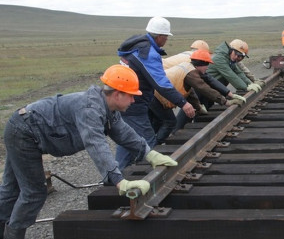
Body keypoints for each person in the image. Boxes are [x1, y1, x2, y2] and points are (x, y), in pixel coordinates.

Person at [0, 65, 178, 239]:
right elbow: (96, 143)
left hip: (23, 126)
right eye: (131, 96)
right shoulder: (90, 110)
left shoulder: (107, 107)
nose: (133, 101)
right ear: (118, 94)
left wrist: (150, 154)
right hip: (24, 132)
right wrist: (119, 181)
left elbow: (124, 133)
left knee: (11, 189)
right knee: (34, 192)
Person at [115, 16, 195, 170]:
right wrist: (183, 103)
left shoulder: (137, 47)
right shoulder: (148, 54)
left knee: (126, 137)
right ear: (159, 37)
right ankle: (152, 177)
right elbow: (161, 84)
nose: (166, 40)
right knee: (148, 141)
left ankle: (114, 176)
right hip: (133, 103)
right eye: (166, 36)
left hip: (122, 99)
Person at [151, 49, 246, 143]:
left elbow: (190, 93)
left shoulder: (189, 68)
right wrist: (225, 101)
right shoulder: (191, 73)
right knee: (169, 122)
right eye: (207, 64)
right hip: (157, 97)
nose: (207, 68)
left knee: (156, 123)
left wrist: (198, 107)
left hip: (154, 95)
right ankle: (156, 146)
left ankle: (152, 143)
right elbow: (204, 88)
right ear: (201, 64)